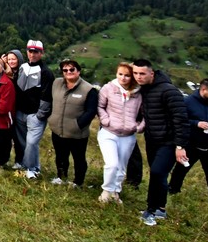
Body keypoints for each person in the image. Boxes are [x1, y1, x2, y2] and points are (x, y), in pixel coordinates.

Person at [132, 59, 190, 226]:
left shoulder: (169, 91)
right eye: (135, 73)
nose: (138, 77)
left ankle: (150, 210)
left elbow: (181, 119)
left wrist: (180, 146)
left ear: (152, 73)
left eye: (142, 73)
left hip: (169, 142)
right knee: (159, 174)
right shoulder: (144, 90)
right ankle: (161, 209)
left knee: (157, 172)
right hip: (152, 140)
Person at [169, 79, 208, 206]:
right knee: (181, 169)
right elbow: (179, 121)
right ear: (203, 90)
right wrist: (197, 123)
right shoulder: (187, 102)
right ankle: (172, 190)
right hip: (191, 144)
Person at [45, 59, 99, 188]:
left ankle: (78, 182)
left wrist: (77, 125)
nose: (68, 72)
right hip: (57, 129)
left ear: (78, 71)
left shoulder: (88, 89)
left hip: (77, 133)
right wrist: (51, 117)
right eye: (65, 70)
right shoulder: (56, 83)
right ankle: (61, 177)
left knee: (78, 158)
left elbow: (91, 111)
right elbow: (50, 100)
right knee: (60, 156)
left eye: (72, 69)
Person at [96, 62, 143, 204]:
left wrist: (139, 127)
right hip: (109, 132)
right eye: (120, 74)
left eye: (127, 75)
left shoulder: (139, 93)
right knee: (112, 164)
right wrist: (105, 120)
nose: (123, 78)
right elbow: (100, 106)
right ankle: (106, 191)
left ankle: (116, 192)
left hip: (128, 135)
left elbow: (145, 113)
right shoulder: (108, 88)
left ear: (132, 77)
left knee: (122, 167)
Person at [13, 40, 53, 179]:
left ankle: (33, 168)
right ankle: (21, 162)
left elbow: (47, 95)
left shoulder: (46, 72)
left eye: (36, 51)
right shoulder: (22, 67)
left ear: (41, 53)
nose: (32, 54)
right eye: (30, 51)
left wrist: (40, 115)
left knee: (31, 143)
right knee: (20, 141)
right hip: (20, 112)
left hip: (35, 114)